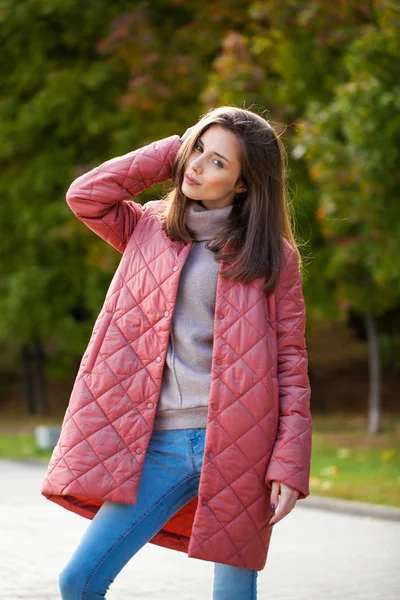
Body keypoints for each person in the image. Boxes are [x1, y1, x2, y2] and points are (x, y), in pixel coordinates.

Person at [41, 105, 312, 599]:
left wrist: (289, 463)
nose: (197, 166)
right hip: (160, 444)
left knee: (233, 593)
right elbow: (85, 196)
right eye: (199, 151)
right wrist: (175, 146)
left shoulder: (273, 256)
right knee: (79, 580)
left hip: (241, 445)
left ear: (245, 183)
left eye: (218, 163)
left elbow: (290, 363)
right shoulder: (148, 228)